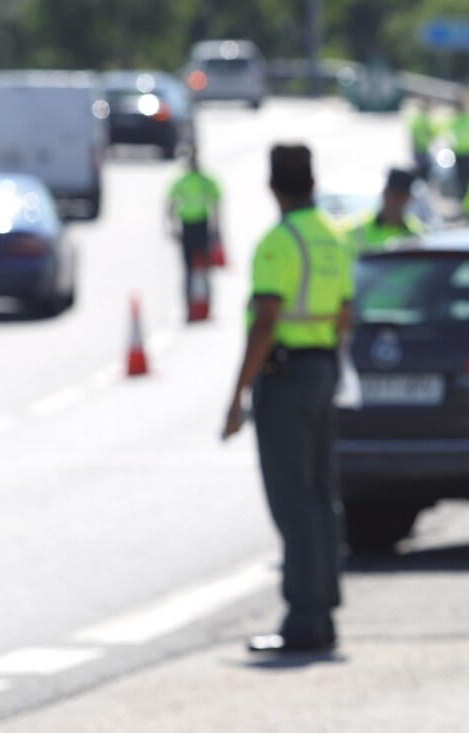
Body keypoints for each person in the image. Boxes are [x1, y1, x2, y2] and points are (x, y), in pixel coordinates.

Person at [222, 143, 355, 653]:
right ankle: (322, 609)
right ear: (313, 183)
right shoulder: (333, 238)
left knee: (291, 498)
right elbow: (345, 314)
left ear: (273, 186)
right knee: (321, 495)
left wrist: (237, 395)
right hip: (322, 368)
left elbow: (266, 321)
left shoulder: (277, 243)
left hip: (285, 375)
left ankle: (303, 616)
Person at [166, 149, 222, 300]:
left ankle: (202, 301)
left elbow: (215, 203)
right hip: (191, 226)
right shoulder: (198, 180)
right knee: (193, 267)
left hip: (200, 225)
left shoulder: (198, 180)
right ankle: (191, 301)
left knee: (198, 267)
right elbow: (172, 204)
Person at [347, 168, 424, 253]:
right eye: (393, 194)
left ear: (409, 198)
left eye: (401, 197)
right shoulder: (356, 229)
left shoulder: (417, 233)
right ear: (385, 192)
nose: (396, 201)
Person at [407, 100, 437, 182]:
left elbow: (431, 134)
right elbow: (414, 136)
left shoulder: (425, 120)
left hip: (424, 149)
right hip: (419, 150)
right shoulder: (419, 121)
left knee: (426, 170)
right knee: (422, 171)